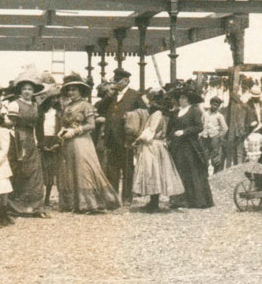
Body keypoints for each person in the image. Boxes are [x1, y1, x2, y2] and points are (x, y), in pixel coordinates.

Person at [57, 74, 120, 213]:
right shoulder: (67, 106)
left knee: (84, 170)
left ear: (80, 90)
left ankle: (89, 203)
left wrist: (75, 131)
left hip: (82, 142)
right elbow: (64, 122)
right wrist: (62, 130)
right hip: (68, 143)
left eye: (74, 90)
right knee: (70, 171)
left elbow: (91, 125)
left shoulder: (86, 105)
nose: (70, 92)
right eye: (69, 90)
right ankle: (73, 203)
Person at [5, 68, 49, 217]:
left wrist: (39, 142)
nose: (27, 92)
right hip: (17, 140)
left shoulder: (35, 105)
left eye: (30, 89)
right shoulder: (14, 104)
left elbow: (37, 126)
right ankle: (14, 206)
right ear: (20, 90)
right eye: (24, 89)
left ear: (34, 91)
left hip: (30, 140)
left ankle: (35, 207)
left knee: (35, 172)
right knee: (18, 171)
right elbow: (10, 124)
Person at [132, 89, 184, 212]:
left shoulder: (157, 115)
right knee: (157, 173)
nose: (148, 105)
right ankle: (153, 202)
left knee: (152, 173)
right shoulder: (165, 115)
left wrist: (138, 140)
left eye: (150, 103)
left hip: (152, 145)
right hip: (159, 145)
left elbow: (150, 131)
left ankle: (154, 204)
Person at [168, 86, 214, 209]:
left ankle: (197, 200)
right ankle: (180, 200)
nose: (180, 100)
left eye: (183, 98)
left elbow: (199, 127)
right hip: (178, 146)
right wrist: (170, 137)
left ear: (189, 100)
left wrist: (184, 132)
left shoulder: (194, 111)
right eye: (180, 98)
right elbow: (172, 127)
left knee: (192, 171)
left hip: (190, 146)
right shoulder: (177, 112)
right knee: (179, 170)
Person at [102, 68, 139, 204]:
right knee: (112, 168)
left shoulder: (134, 95)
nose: (115, 83)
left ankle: (127, 197)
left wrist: (131, 119)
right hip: (111, 137)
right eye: (115, 81)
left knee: (127, 168)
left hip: (126, 138)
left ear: (126, 81)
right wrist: (108, 96)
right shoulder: (112, 95)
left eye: (117, 81)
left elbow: (143, 112)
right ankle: (113, 197)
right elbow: (100, 108)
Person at [37, 84, 61, 208]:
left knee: (51, 172)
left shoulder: (59, 112)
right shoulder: (40, 111)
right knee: (41, 171)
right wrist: (41, 144)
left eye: (57, 98)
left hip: (54, 141)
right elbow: (37, 129)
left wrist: (57, 143)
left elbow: (60, 128)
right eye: (53, 98)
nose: (55, 101)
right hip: (43, 141)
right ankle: (38, 198)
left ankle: (47, 198)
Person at [200, 96, 228, 173]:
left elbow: (225, 128)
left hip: (214, 138)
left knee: (215, 157)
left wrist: (219, 136)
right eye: (214, 105)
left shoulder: (219, 116)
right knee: (204, 156)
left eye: (217, 106)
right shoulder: (205, 114)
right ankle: (205, 175)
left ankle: (216, 174)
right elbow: (201, 124)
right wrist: (201, 134)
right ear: (210, 104)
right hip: (205, 138)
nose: (215, 107)